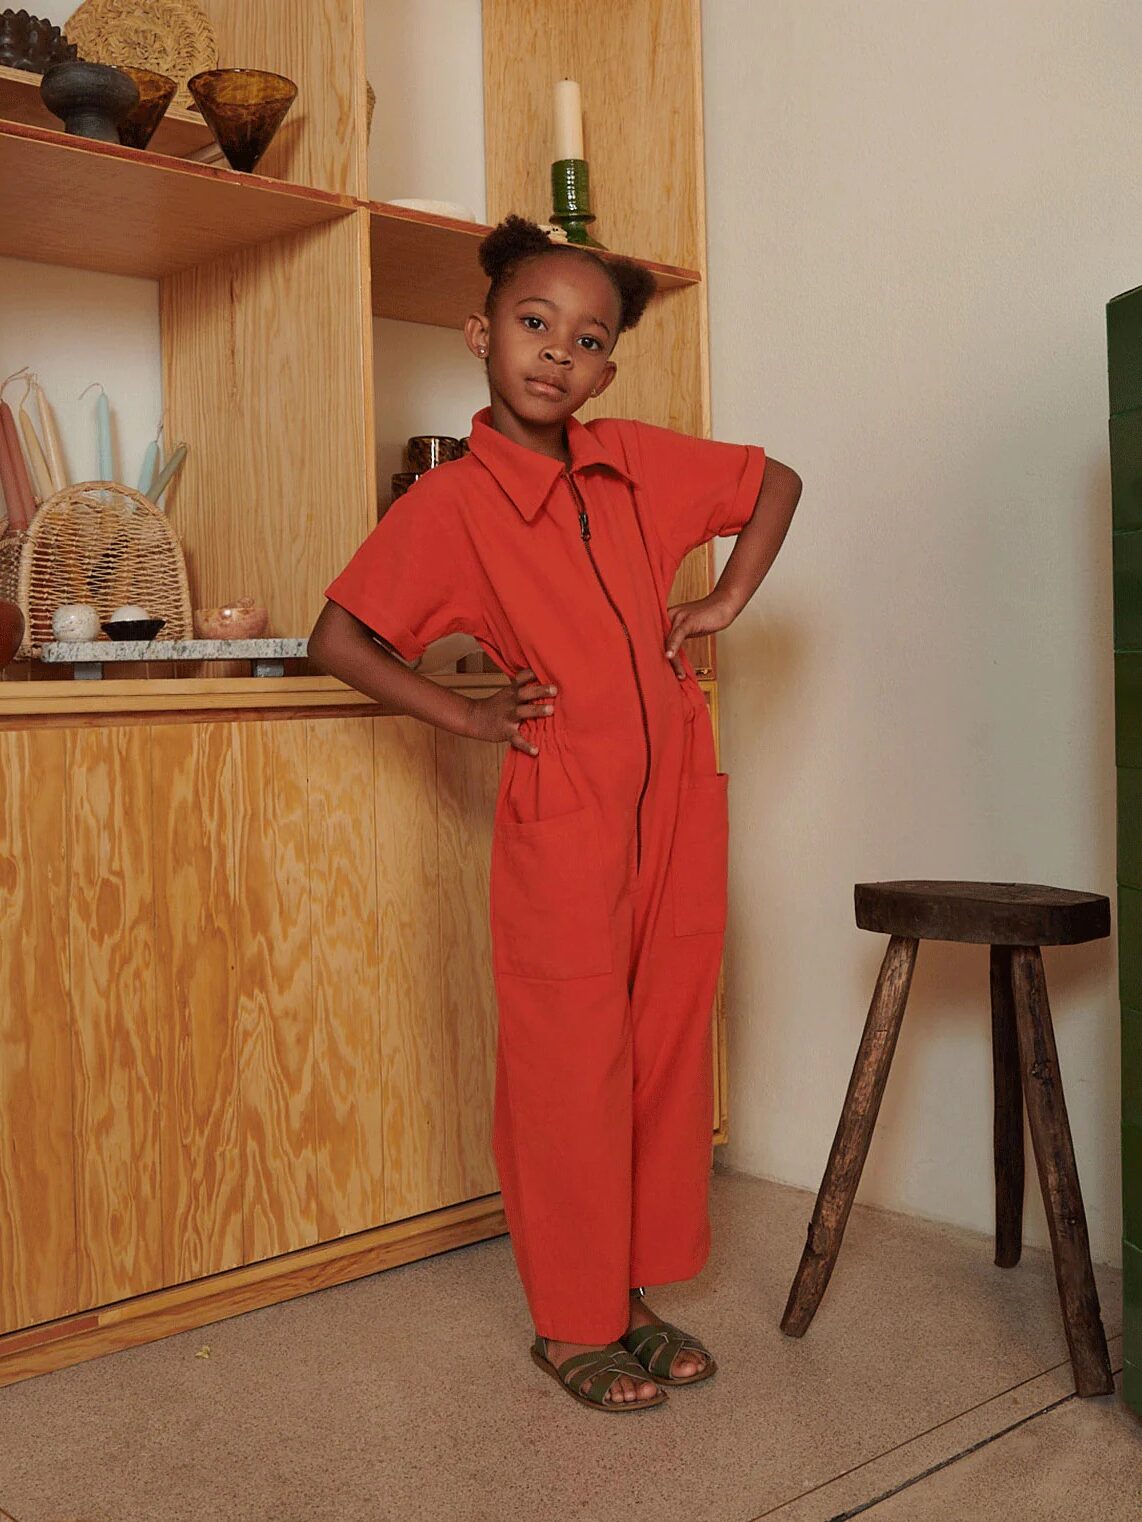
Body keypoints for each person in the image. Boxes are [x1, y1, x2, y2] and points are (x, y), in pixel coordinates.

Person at [308, 215, 802, 1413]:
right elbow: (341, 638)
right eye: (533, 325)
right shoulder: (454, 504)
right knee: (568, 1067)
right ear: (480, 334)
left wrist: (725, 597)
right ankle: (568, 1320)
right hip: (565, 811)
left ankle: (627, 1294)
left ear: (606, 371)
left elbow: (772, 481)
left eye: (585, 340)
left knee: (660, 1049)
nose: (554, 354)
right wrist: (470, 719)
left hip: (675, 800)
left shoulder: (633, 456)